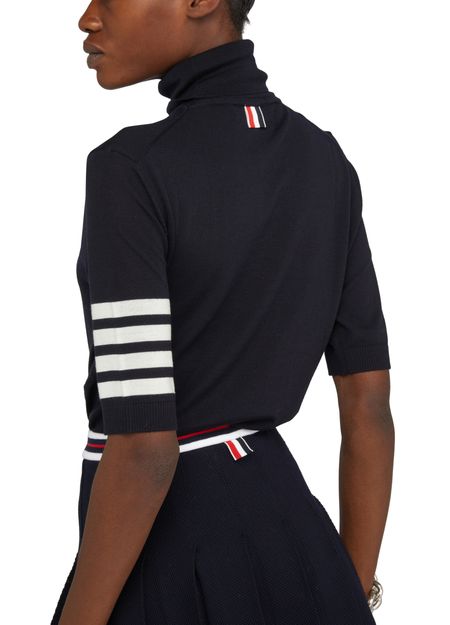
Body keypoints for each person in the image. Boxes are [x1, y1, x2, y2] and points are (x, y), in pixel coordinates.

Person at [51, 1, 395, 624]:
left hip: (168, 553)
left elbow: (145, 449)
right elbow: (368, 406)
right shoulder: (326, 160)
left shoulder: (130, 169)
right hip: (297, 541)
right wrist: (350, 593)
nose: (87, 18)